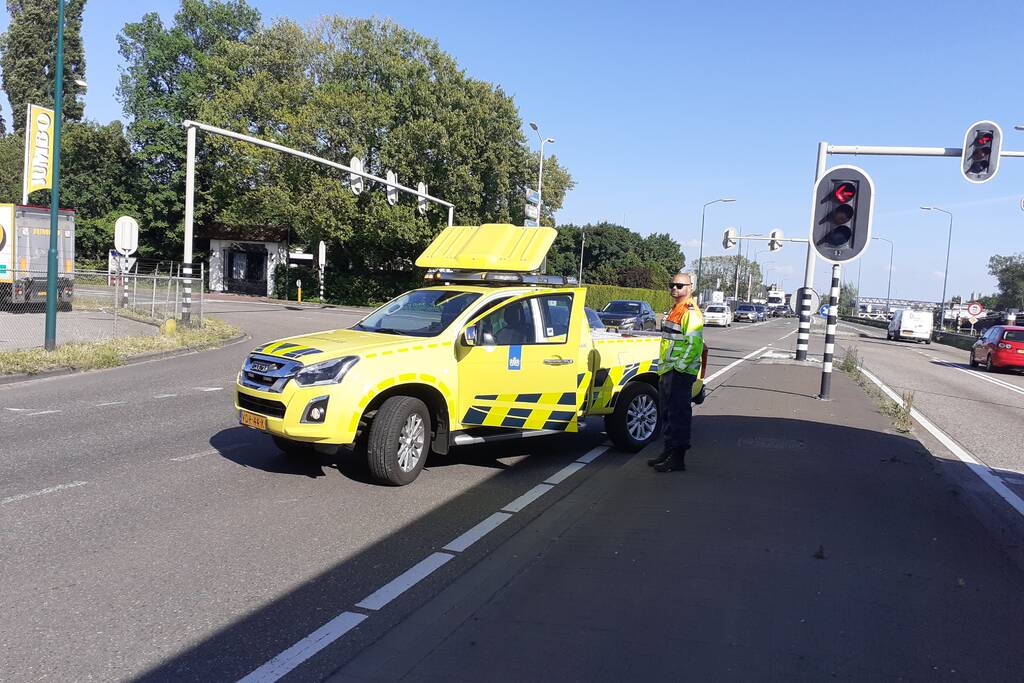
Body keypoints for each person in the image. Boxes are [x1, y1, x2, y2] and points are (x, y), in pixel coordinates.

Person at [649, 271, 704, 472]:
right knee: (667, 414)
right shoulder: (675, 310)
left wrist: (678, 368)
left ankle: (677, 459)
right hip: (668, 370)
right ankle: (668, 451)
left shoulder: (690, 312)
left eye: (680, 285)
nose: (674, 288)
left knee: (679, 415)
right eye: (671, 284)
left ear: (690, 287)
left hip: (679, 372)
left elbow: (694, 344)